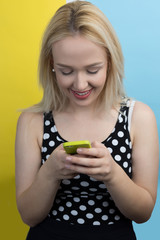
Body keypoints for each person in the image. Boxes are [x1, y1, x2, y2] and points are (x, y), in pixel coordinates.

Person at [15, 1, 159, 239]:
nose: (80, 84)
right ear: (51, 64)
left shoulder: (138, 117)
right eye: (66, 71)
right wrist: (50, 172)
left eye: (92, 70)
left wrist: (112, 174)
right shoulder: (33, 121)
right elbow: (29, 216)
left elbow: (143, 213)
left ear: (110, 62)